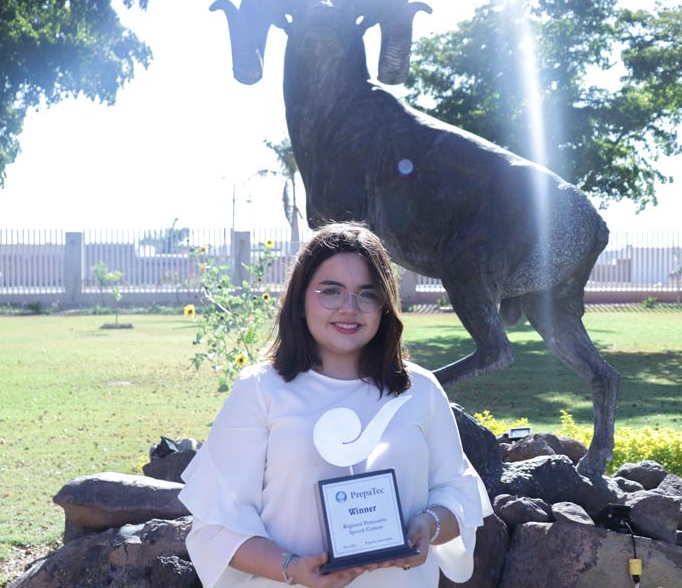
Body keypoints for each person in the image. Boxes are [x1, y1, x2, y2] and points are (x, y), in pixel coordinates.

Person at [179, 222, 492, 588]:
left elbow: (457, 492)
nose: (349, 308)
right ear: (300, 299)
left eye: (367, 294)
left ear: (385, 306)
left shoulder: (419, 389)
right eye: (331, 291)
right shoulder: (260, 390)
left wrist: (429, 526)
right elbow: (217, 526)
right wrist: (292, 568)